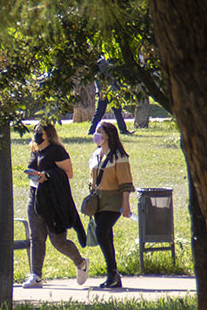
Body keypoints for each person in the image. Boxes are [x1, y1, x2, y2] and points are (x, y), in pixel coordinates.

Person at [22, 121, 90, 288]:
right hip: (35, 198)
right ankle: (36, 275)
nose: (36, 135)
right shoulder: (35, 150)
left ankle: (81, 263)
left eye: (40, 132)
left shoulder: (57, 151)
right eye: (35, 131)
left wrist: (47, 176)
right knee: (36, 238)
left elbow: (68, 173)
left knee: (58, 240)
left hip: (53, 201)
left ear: (48, 134)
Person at [88, 122, 134, 288]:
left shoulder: (119, 156)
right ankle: (114, 277)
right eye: (96, 131)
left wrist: (126, 204)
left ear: (108, 135)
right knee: (107, 236)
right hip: (98, 201)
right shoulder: (96, 154)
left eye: (99, 132)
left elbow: (125, 182)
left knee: (101, 232)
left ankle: (112, 272)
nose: (96, 134)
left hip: (113, 201)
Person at [87, 57, 132, 135]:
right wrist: (100, 91)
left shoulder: (113, 61)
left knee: (117, 111)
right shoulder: (101, 62)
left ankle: (123, 130)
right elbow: (98, 78)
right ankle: (91, 131)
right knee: (100, 112)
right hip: (104, 92)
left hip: (112, 91)